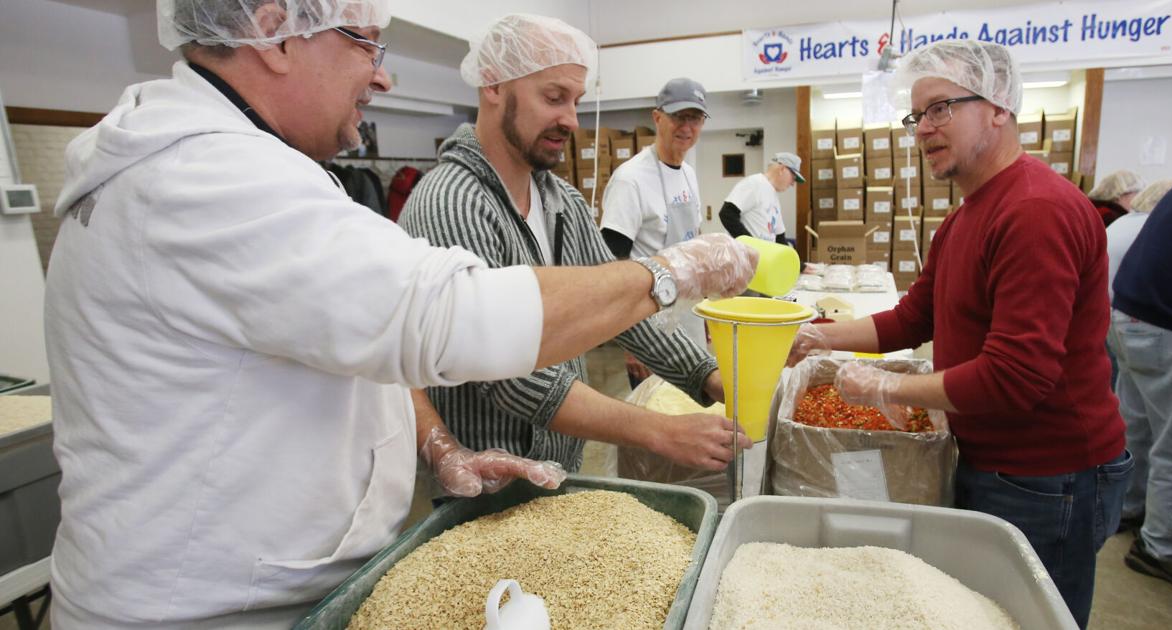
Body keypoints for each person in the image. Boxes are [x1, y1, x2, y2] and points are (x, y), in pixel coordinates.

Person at [42, 2, 757, 627]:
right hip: (203, 608)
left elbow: (365, 341)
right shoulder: (203, 178)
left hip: (286, 580)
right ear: (274, 34)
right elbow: (449, 318)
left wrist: (433, 444)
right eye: (365, 43)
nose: (383, 76)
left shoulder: (259, 170)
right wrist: (672, 272)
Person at [787, 40, 1130, 629]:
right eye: (916, 115)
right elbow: (914, 318)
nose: (923, 129)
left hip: (1049, 477)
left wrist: (886, 390)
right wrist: (818, 337)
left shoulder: (1034, 211)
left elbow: (1016, 375)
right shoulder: (967, 214)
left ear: (999, 107)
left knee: (1034, 618)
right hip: (993, 458)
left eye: (941, 108)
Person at [399, 15, 751, 479]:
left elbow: (620, 305)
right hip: (488, 479)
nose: (570, 119)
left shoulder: (559, 200)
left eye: (577, 101)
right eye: (553, 97)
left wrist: (707, 374)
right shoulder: (452, 202)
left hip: (559, 463)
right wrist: (657, 430)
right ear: (493, 85)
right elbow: (506, 374)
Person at [1110, 167, 1172, 594]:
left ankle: (1126, 508)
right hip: (1171, 322)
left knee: (1140, 426)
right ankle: (1163, 548)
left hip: (1131, 313)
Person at [599, 77, 711, 385]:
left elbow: (694, 245)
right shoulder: (631, 180)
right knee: (659, 416)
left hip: (689, 314)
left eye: (695, 118)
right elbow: (612, 265)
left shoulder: (688, 174)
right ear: (657, 117)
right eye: (678, 116)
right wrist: (630, 340)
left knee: (693, 410)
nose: (687, 127)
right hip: (650, 327)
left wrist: (707, 311)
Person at [1103, 178, 1172, 391]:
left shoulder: (1123, 221)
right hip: (1131, 319)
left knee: (1127, 394)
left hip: (1112, 316)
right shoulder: (1152, 226)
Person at [719, 152, 805, 244]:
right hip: (747, 255)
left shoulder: (773, 195)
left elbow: (779, 236)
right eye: (793, 177)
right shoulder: (754, 183)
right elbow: (727, 213)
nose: (792, 184)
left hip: (764, 256)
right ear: (782, 169)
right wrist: (751, 245)